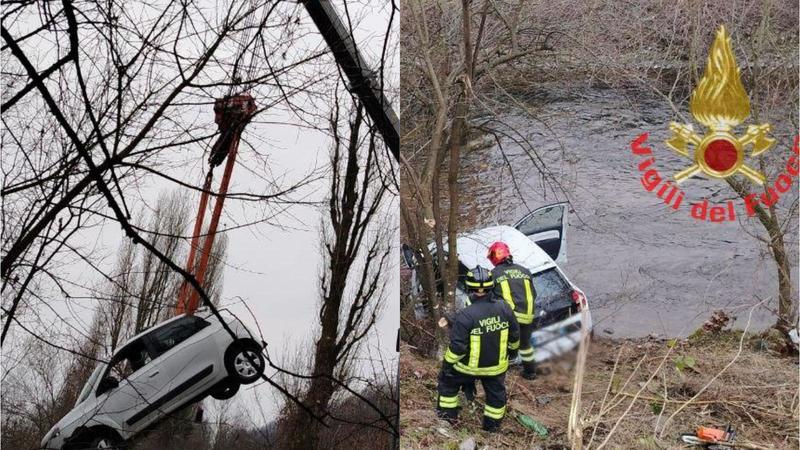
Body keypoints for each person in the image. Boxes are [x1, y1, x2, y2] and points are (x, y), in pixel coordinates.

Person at [436, 266, 520, 432]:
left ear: (469, 286)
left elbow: (458, 348)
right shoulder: (504, 308)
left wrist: (446, 365)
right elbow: (515, 336)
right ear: (491, 286)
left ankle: (447, 419)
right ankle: (491, 430)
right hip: (496, 369)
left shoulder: (466, 315)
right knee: (496, 398)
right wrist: (512, 354)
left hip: (467, 368)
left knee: (447, 384)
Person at [487, 241, 538, 380]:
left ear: (494, 257)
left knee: (503, 345)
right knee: (526, 346)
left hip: (509, 317)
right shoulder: (524, 271)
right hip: (527, 315)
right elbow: (534, 293)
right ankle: (531, 372)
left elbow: (491, 297)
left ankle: (502, 373)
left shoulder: (494, 274)